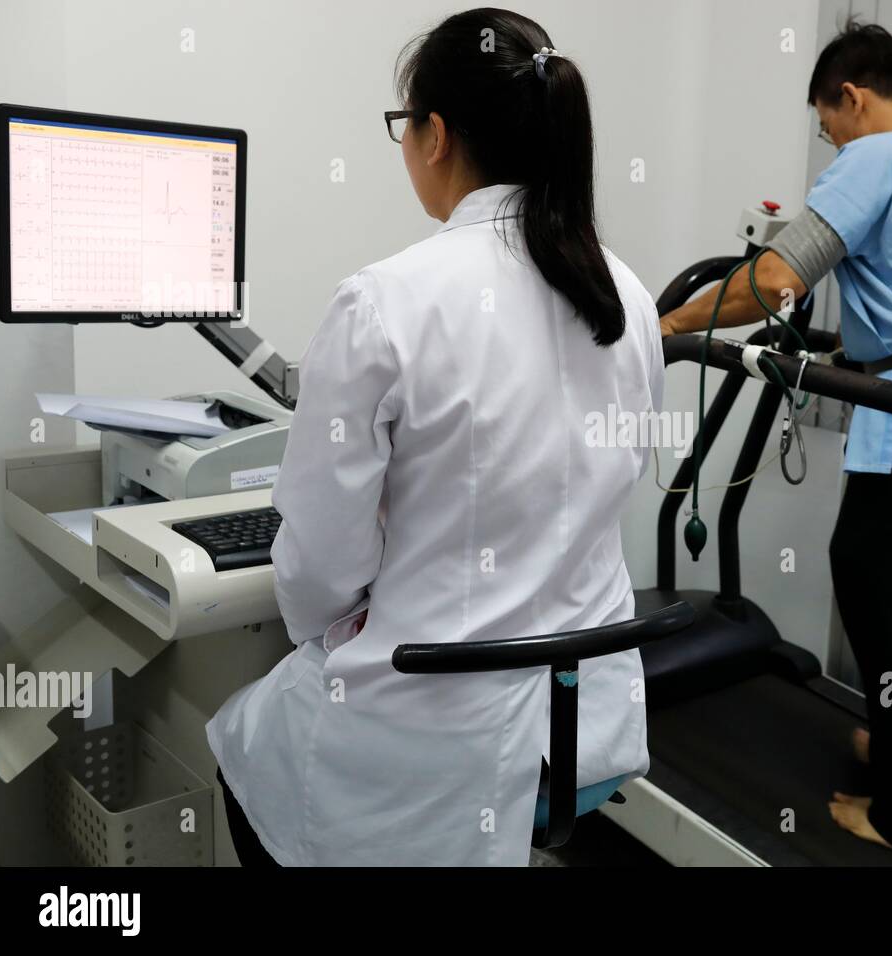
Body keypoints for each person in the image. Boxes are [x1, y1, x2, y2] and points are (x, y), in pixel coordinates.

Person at [207, 7, 664, 866]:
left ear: (436, 136)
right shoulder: (627, 294)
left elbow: (315, 581)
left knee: (238, 747)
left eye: (402, 126)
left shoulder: (385, 300)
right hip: (582, 727)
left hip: (429, 751)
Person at [658, 20, 892, 864]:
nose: (830, 145)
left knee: (886, 605)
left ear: (853, 97)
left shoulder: (874, 159)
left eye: (827, 126)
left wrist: (670, 321)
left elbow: (781, 275)